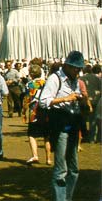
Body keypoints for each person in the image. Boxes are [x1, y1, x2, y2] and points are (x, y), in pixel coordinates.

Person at [40, 50, 87, 201]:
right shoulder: (55, 79)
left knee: (73, 169)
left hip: (72, 123)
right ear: (67, 66)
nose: (78, 71)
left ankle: (67, 198)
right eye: (75, 68)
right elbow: (44, 101)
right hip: (60, 124)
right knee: (61, 169)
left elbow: (75, 98)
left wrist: (80, 99)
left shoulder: (74, 80)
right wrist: (66, 98)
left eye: (79, 69)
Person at [24, 64, 51, 165]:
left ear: (31, 74)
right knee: (47, 136)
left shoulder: (30, 84)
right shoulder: (46, 83)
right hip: (46, 110)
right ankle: (48, 158)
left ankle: (35, 155)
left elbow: (27, 98)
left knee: (31, 134)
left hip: (34, 111)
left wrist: (24, 111)